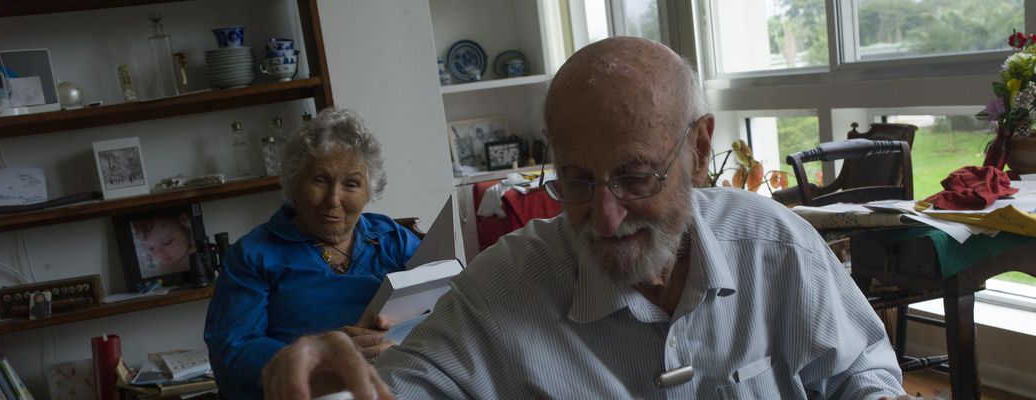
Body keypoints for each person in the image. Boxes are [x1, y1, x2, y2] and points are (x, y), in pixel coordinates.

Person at [262, 37, 905, 399]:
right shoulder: (503, 289)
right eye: (575, 179)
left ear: (701, 149)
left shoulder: (774, 245)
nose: (605, 214)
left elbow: (860, 371)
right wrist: (330, 385)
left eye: (635, 175)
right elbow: (402, 390)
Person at [204, 108, 422, 400]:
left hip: (404, 382)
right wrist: (321, 357)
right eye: (320, 179)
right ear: (294, 184)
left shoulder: (392, 238)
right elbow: (232, 355)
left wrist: (404, 332)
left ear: (369, 191)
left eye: (352, 184)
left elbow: (451, 300)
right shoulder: (253, 254)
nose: (334, 199)